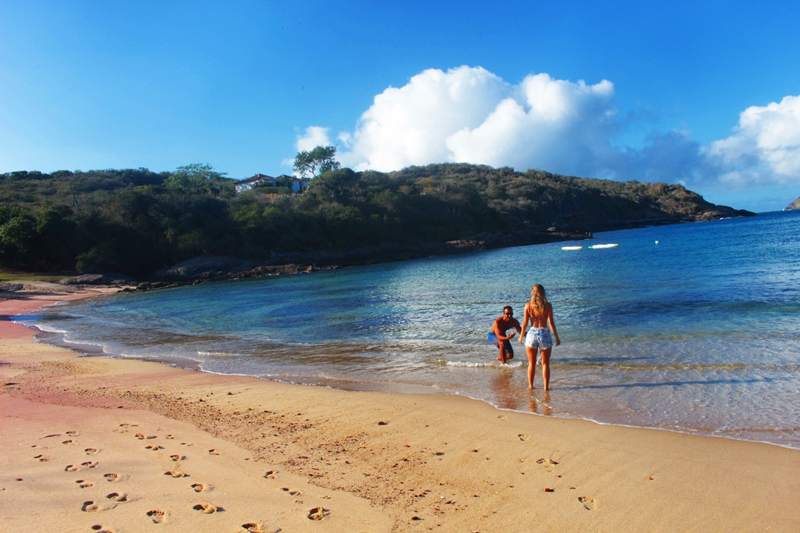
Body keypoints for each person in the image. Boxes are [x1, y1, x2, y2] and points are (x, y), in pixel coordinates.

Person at [519, 284, 560, 390]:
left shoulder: (528, 305)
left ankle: (531, 386)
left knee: (531, 363)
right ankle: (546, 387)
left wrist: (521, 336)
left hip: (531, 333)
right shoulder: (548, 305)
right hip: (544, 333)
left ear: (532, 293)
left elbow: (524, 322)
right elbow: (551, 323)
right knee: (545, 363)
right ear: (543, 292)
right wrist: (556, 337)